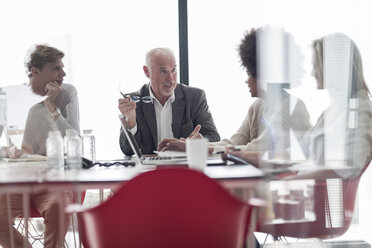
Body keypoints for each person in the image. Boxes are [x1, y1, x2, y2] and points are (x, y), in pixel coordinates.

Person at [229, 33, 372, 178]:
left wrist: (291, 182)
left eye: (316, 66)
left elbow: (349, 167)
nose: (312, 72)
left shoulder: (360, 112)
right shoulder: (331, 113)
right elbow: (294, 154)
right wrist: (245, 156)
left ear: (334, 67)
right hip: (301, 190)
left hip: (311, 194)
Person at [158, 29, 311, 155]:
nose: (246, 81)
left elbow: (254, 150)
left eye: (249, 74)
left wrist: (197, 148)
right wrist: (196, 145)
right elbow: (234, 142)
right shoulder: (258, 106)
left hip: (289, 187)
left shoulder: (290, 108)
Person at [0, 44, 78, 248]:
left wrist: (52, 107)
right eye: (56, 68)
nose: (63, 73)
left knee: (58, 206)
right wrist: (8, 151)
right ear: (35, 72)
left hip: (53, 180)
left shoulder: (67, 93)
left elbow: (74, 140)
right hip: (15, 181)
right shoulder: (7, 95)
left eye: (62, 67)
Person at [118, 47, 220, 155]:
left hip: (184, 167)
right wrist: (131, 121)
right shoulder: (134, 101)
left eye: (173, 70)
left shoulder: (195, 97)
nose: (171, 78)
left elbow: (214, 137)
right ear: (147, 72)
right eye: (163, 71)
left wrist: (194, 144)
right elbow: (127, 150)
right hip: (151, 169)